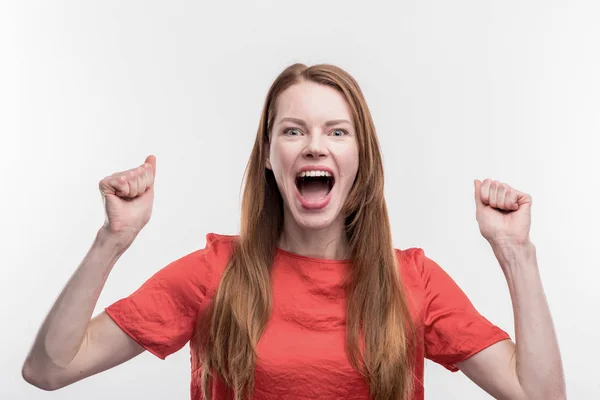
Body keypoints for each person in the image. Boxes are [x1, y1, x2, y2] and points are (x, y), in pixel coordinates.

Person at [22, 63, 566, 400]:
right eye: (292, 130)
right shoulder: (215, 274)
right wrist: (111, 241)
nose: (314, 145)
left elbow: (541, 397)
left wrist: (516, 252)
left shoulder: (413, 282)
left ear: (361, 159)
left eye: (336, 131)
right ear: (269, 156)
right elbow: (50, 368)